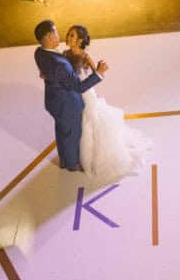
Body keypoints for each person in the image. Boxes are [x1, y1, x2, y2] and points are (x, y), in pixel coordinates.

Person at [64, 24, 151, 179]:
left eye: (72, 35)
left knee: (89, 121)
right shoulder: (64, 54)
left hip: (86, 92)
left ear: (80, 40)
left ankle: (91, 158)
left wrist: (98, 70)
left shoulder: (85, 56)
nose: (68, 37)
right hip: (73, 93)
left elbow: (98, 74)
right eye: (68, 34)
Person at [34, 19, 108, 172]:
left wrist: (47, 74)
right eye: (55, 32)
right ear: (49, 36)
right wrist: (99, 73)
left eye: (71, 35)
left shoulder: (40, 52)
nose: (61, 35)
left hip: (54, 101)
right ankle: (72, 164)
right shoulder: (61, 62)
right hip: (68, 103)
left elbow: (51, 70)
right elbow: (79, 87)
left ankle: (64, 160)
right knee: (71, 135)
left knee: (62, 132)